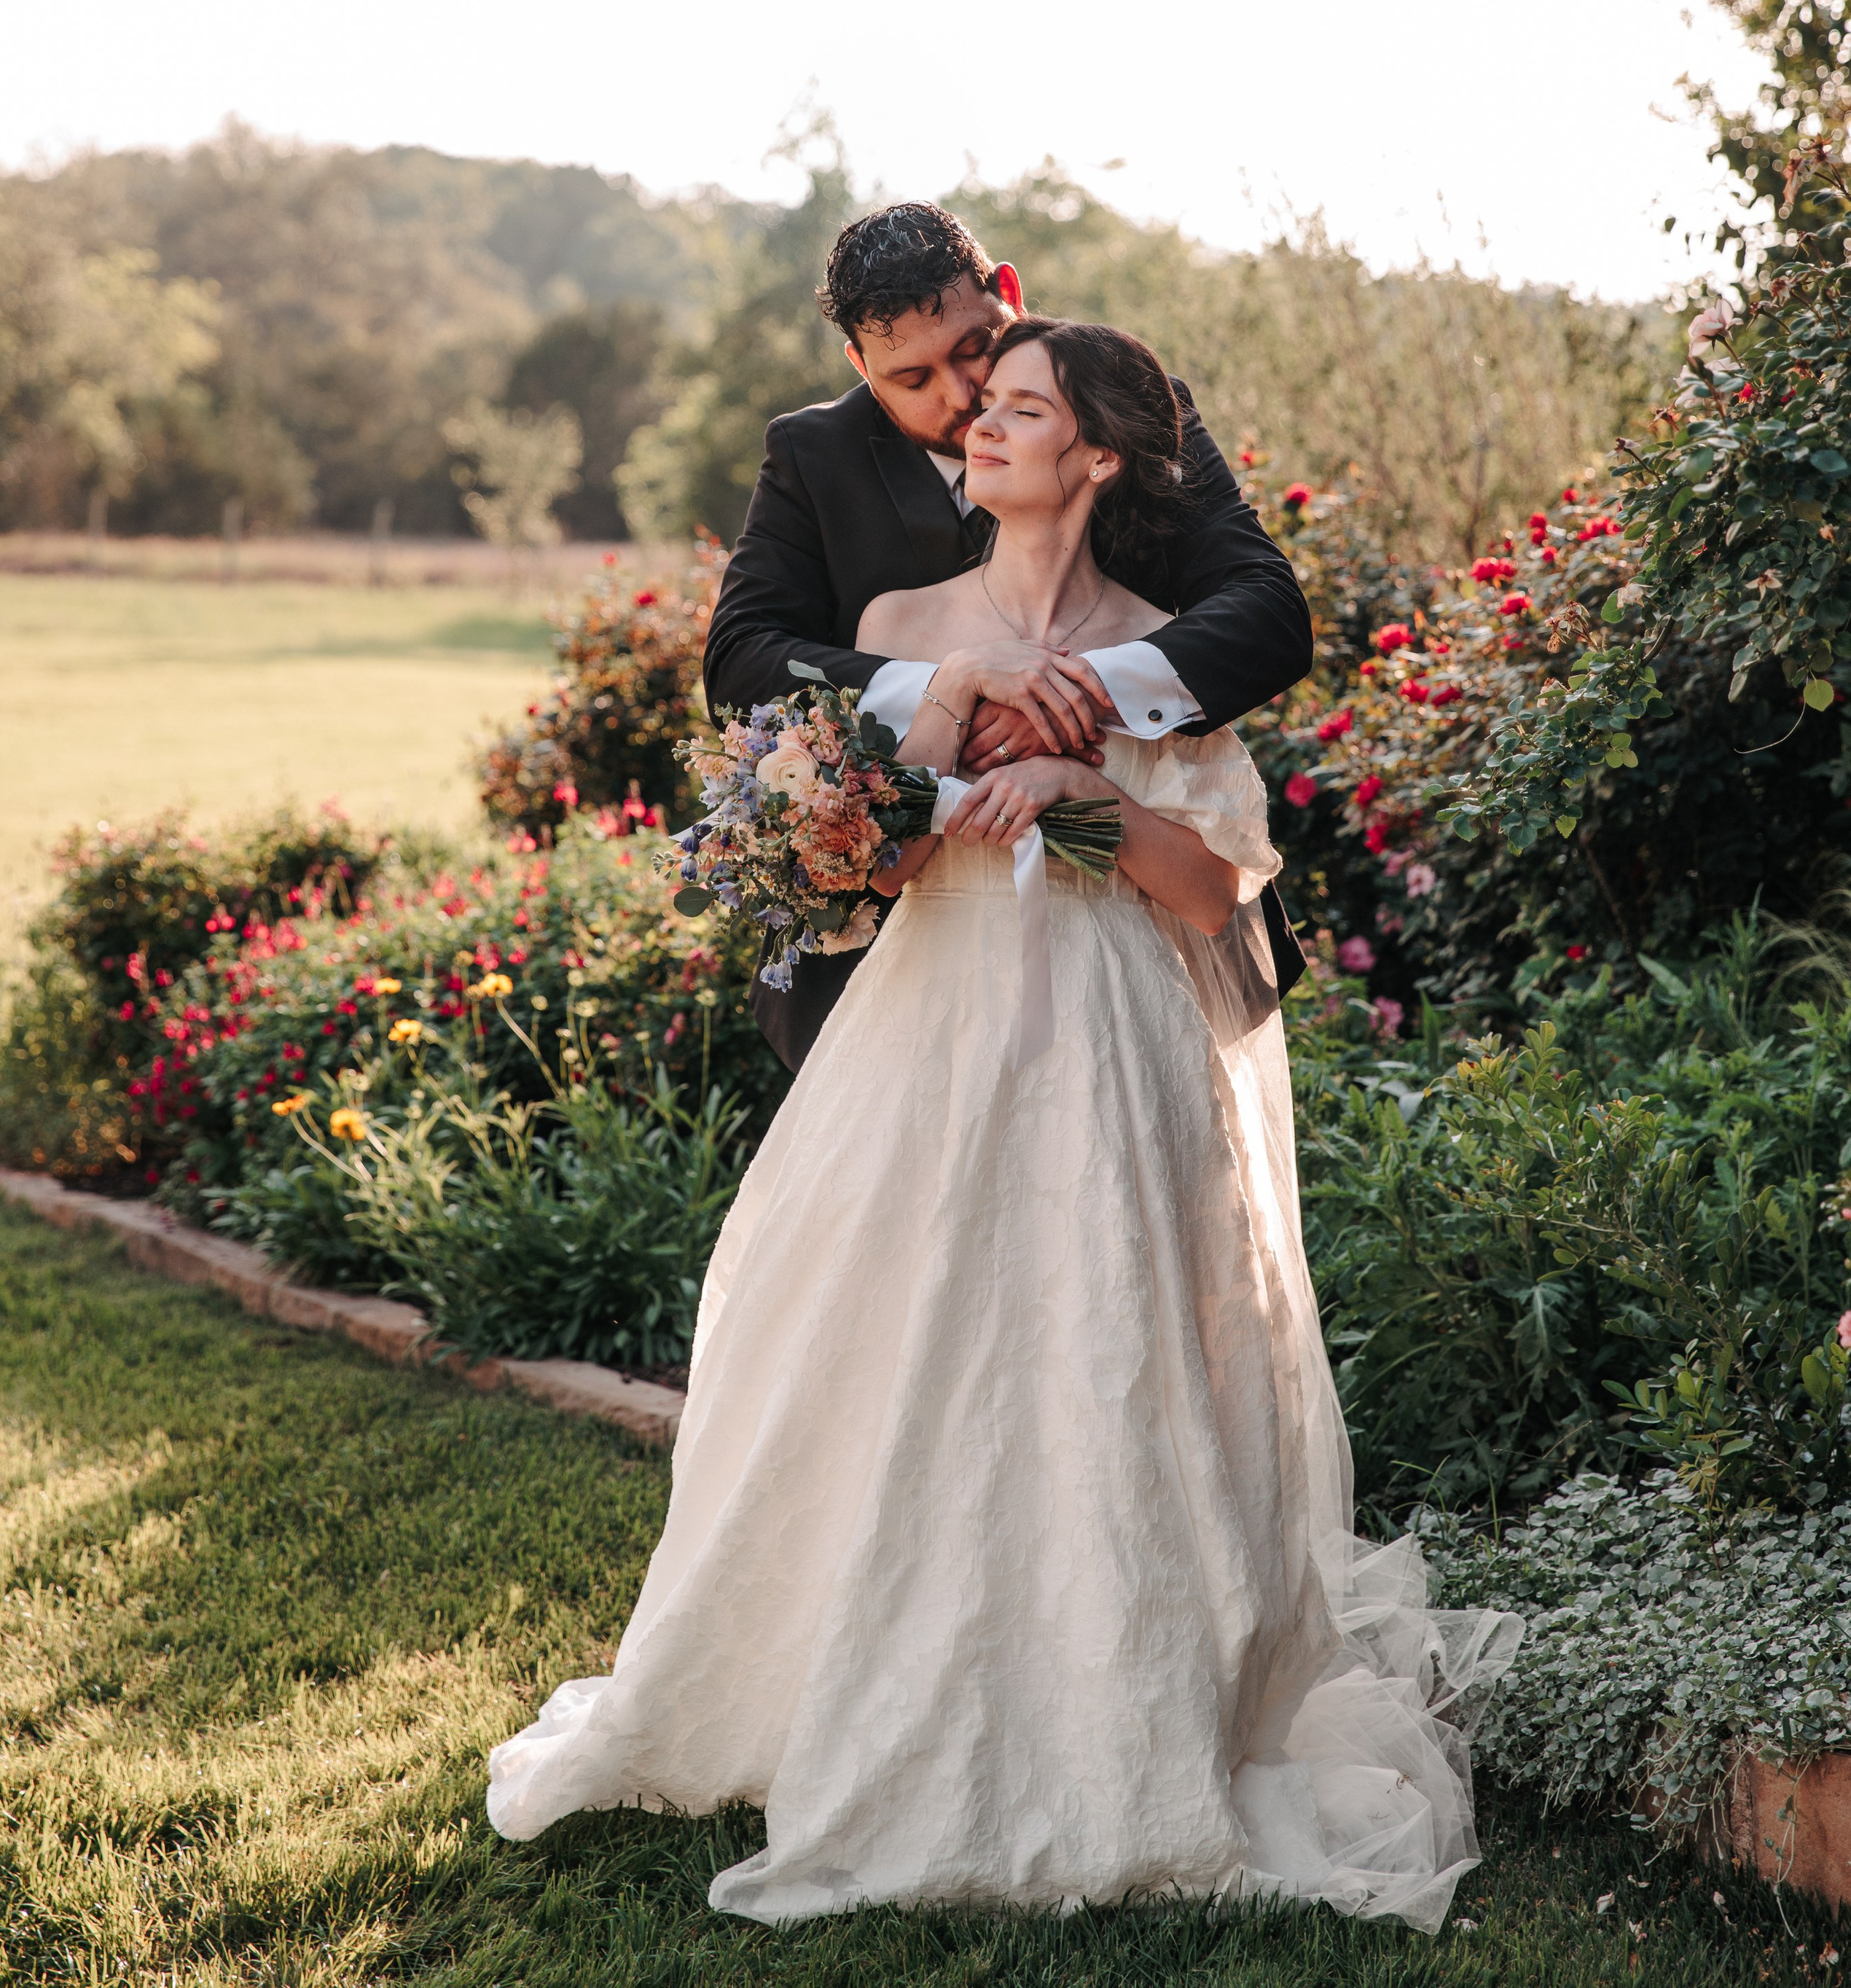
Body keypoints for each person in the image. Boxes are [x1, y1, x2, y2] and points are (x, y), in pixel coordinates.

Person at [487, 319, 1521, 1929]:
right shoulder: (900, 629)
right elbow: (860, 873)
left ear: (1095, 456)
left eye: (1019, 410)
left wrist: (1081, 800)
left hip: (1116, 1040)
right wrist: (916, 794)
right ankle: (873, 1679)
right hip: (931, 1029)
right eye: (985, 406)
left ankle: (1124, 1710)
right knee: (899, 1352)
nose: (978, 423)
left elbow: (1215, 896)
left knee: (1110, 1352)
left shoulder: (1161, 648)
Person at [703, 200, 1314, 1067]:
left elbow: (1266, 608)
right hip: (898, 953)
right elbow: (741, 658)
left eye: (973, 348)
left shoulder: (1119, 408)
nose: (959, 398)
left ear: (1010, 295)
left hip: (1140, 951)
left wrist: (1075, 694)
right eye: (910, 378)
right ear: (860, 366)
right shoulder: (813, 454)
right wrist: (953, 686)